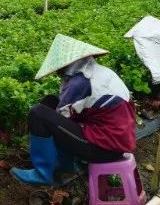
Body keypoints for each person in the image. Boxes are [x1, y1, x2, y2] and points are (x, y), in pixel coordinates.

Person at [12, 34, 136, 186]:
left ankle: (43, 174)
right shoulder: (98, 72)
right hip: (116, 140)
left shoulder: (79, 82)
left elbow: (60, 118)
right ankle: (64, 164)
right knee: (49, 102)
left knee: (38, 113)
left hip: (104, 148)